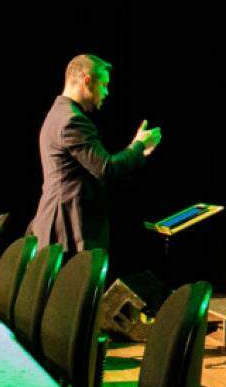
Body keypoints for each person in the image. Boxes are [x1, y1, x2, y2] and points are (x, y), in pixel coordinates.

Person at [32, 54, 162, 254]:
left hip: (60, 225)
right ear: (86, 81)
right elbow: (106, 169)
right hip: (67, 229)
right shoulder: (72, 121)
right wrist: (137, 145)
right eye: (103, 84)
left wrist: (138, 152)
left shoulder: (58, 113)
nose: (106, 92)